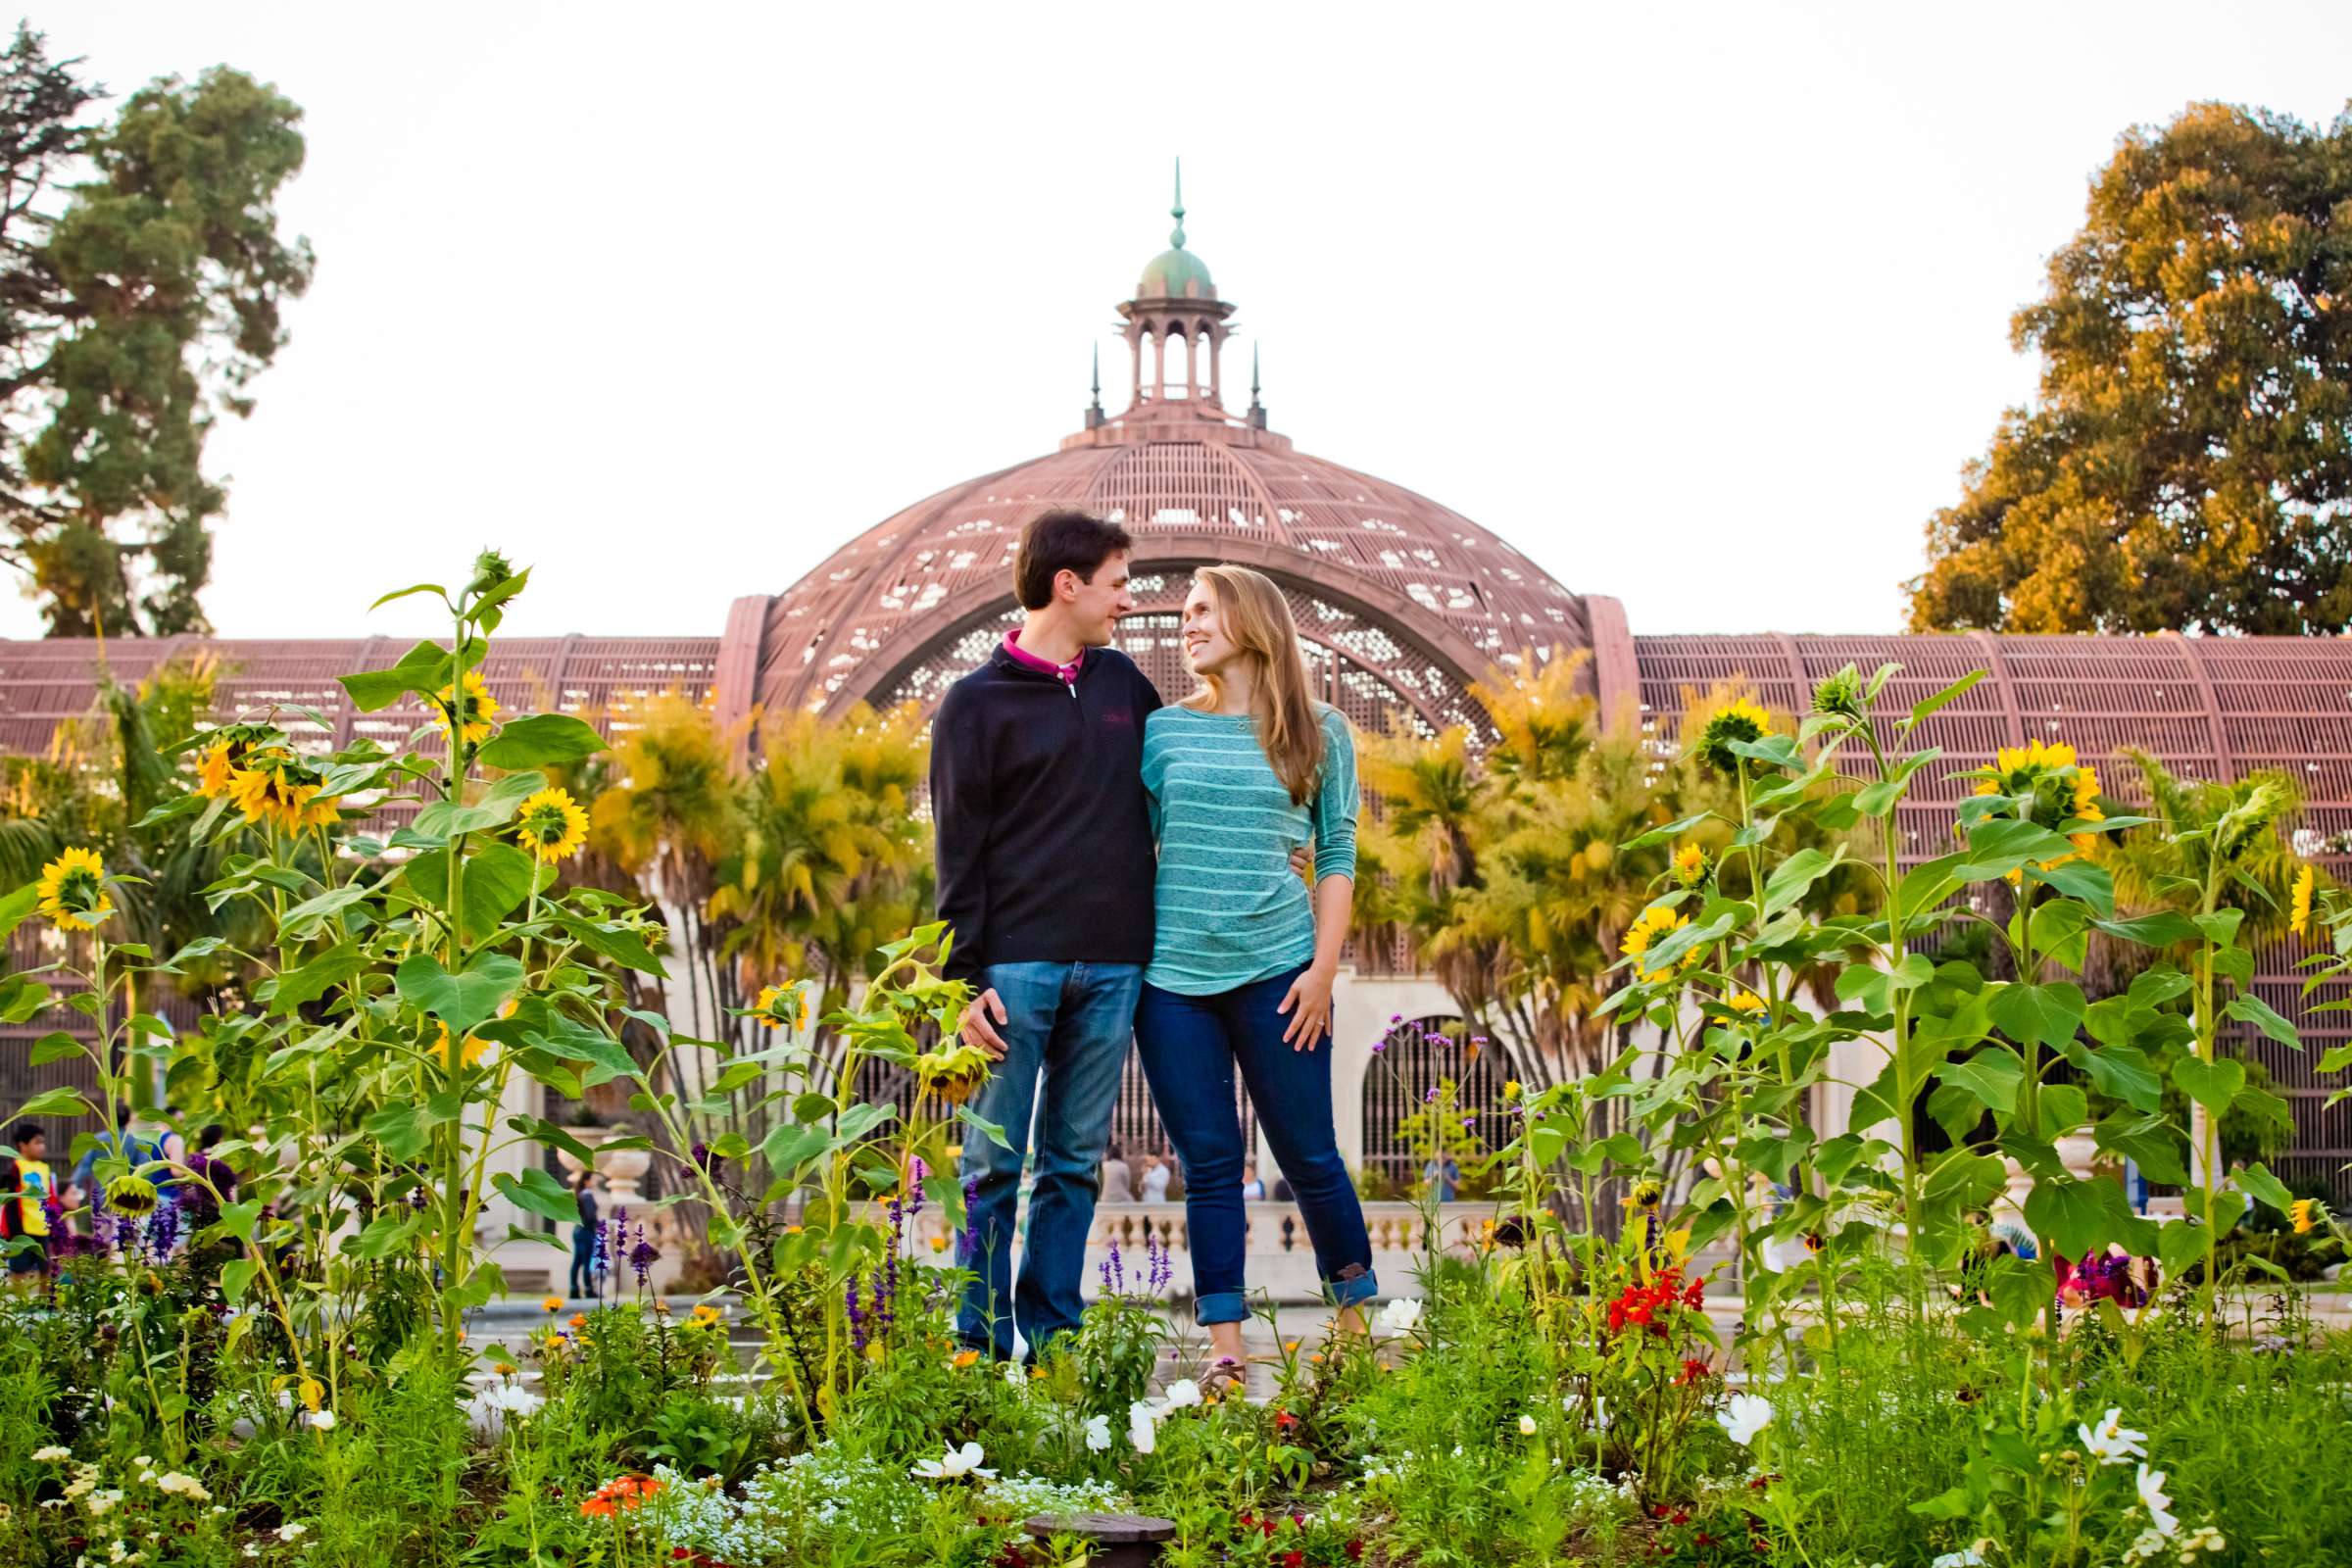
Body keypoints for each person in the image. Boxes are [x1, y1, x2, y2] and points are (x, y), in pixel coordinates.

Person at [1132, 564, 1377, 1396]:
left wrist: (1323, 970)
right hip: (1172, 982)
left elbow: (1337, 854)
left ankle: (1354, 1333)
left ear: (1250, 621)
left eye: (1202, 610)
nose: (1186, 624)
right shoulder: (1162, 733)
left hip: (1280, 974)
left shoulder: (1322, 732)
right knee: (1210, 1163)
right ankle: (1227, 1352)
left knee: (1311, 1156)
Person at [932, 509, 1160, 1362]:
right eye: (1118, 583)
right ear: (1069, 585)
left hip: (1113, 965)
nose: (1127, 603)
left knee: (1071, 1164)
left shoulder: (1124, 687)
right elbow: (958, 854)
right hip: (1013, 971)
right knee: (991, 1168)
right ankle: (980, 1352)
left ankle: (1056, 1349)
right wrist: (962, 985)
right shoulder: (974, 705)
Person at [1, 1122, 54, 1283]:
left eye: (43, 1142)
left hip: (42, 1228)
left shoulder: (44, 1168)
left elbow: (50, 1196)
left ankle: (46, 1303)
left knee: (46, 1269)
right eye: (37, 1142)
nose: (42, 1147)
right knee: (19, 1269)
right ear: (22, 1145)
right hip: (22, 1229)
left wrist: (54, 1220)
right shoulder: (16, 1167)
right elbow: (11, 1201)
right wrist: (13, 1230)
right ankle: (19, 1304)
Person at [569, 1168, 601, 1299]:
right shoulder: (587, 1195)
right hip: (586, 1232)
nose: (594, 1182)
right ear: (587, 1181)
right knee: (587, 1262)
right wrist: (597, 1225)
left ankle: (574, 1289)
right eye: (593, 1179)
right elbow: (590, 1216)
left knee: (577, 1261)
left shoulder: (579, 1194)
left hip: (578, 1231)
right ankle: (588, 1290)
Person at [1100, 1141, 1136, 1205]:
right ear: (1120, 1154)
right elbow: (1127, 1184)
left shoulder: (1105, 1165)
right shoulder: (1124, 1166)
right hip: (1121, 1197)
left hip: (1106, 1198)